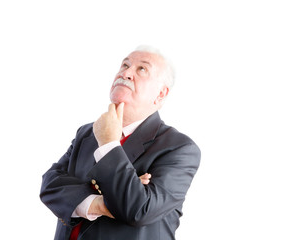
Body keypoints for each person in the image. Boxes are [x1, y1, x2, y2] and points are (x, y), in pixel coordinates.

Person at [40, 45, 201, 240]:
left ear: (161, 94)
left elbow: (139, 208)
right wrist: (99, 202)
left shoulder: (180, 148)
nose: (126, 73)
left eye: (142, 69)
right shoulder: (87, 132)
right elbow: (50, 184)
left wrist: (108, 143)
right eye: (125, 65)